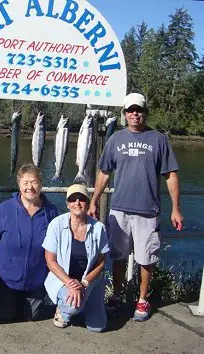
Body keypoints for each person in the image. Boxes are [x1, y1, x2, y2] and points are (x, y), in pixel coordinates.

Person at [87, 92, 183, 321]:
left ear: (145, 112)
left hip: (148, 211)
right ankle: (117, 295)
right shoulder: (115, 139)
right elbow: (104, 172)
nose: (134, 114)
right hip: (118, 210)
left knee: (146, 259)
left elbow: (170, 175)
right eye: (130, 110)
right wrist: (94, 200)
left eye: (138, 110)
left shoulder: (159, 139)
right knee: (118, 257)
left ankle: (142, 300)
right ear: (125, 114)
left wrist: (176, 207)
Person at [0, 163, 58, 321]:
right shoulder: (4, 209)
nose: (30, 187)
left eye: (34, 182)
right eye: (25, 183)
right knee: (7, 316)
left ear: (41, 184)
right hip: (7, 279)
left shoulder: (51, 212)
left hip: (36, 280)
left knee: (33, 317)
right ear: (19, 185)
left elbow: (58, 243)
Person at [43, 184, 109, 332]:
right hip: (63, 279)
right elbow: (50, 260)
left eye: (82, 199)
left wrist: (84, 283)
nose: (77, 203)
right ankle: (63, 309)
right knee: (73, 306)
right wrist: (70, 283)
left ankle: (85, 301)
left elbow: (102, 262)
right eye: (72, 199)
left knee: (97, 327)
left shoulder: (99, 228)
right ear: (67, 204)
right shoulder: (56, 224)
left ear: (88, 202)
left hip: (89, 281)